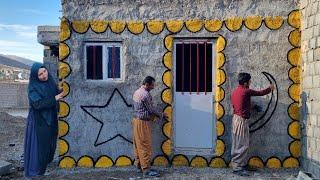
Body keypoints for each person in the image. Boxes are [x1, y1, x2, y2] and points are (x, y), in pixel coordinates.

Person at [230, 72, 275, 176]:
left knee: (242, 142)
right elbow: (260, 93)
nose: (250, 82)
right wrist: (270, 88)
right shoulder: (246, 91)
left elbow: (241, 103)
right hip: (241, 120)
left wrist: (253, 107)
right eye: (249, 81)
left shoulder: (236, 91)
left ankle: (242, 164)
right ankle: (237, 167)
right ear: (246, 83)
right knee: (241, 144)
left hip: (237, 119)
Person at [24, 63, 64, 177]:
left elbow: (56, 92)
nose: (43, 75)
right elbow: (37, 104)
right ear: (35, 76)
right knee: (39, 145)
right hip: (39, 120)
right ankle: (35, 171)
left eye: (44, 71)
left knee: (50, 142)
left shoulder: (50, 82)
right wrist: (55, 98)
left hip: (50, 117)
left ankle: (44, 165)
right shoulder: (33, 87)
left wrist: (63, 88)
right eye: (40, 74)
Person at [132, 76, 167, 177]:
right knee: (145, 145)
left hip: (136, 121)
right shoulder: (145, 94)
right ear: (147, 84)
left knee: (138, 145)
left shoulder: (137, 92)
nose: (153, 87)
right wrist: (162, 115)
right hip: (142, 122)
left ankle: (140, 166)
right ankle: (146, 170)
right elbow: (151, 110)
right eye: (152, 85)